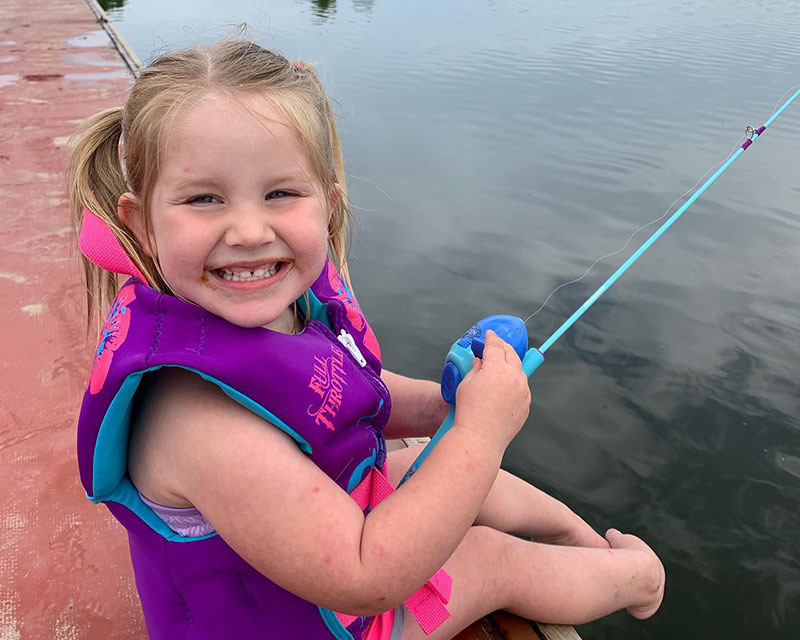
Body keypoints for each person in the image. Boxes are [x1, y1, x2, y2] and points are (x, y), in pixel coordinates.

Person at [68, 39, 664, 640]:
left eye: (280, 193)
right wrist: (481, 432)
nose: (249, 231)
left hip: (327, 534)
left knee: (432, 462)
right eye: (204, 199)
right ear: (140, 223)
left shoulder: (279, 305)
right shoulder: (198, 420)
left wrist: (443, 408)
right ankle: (637, 581)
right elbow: (363, 573)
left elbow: (346, 389)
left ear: (326, 207)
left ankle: (587, 544)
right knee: (489, 558)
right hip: (319, 615)